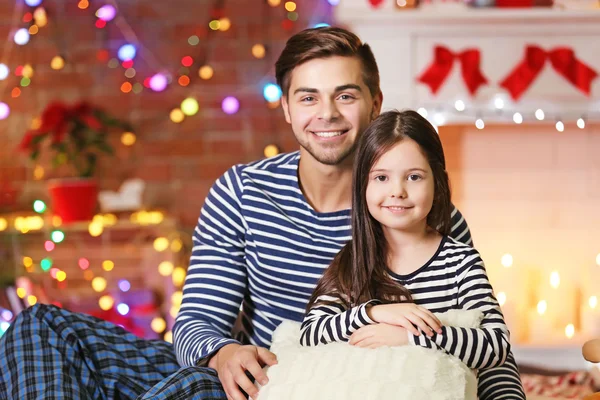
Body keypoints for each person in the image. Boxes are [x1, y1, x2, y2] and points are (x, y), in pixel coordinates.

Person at [0, 27, 524, 400]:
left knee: (187, 389)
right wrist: (222, 354)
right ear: (287, 108)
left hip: (323, 388)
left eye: (345, 95)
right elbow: (197, 324)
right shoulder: (241, 191)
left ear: (375, 103)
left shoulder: (413, 207)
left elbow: (488, 343)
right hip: (242, 372)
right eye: (309, 97)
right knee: (40, 327)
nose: (327, 115)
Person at [300, 109, 511, 378]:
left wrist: (408, 337)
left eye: (414, 177)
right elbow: (310, 333)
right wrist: (376, 313)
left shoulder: (461, 262)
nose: (397, 191)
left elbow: (496, 346)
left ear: (438, 184)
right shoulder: (352, 262)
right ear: (362, 186)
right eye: (381, 177)